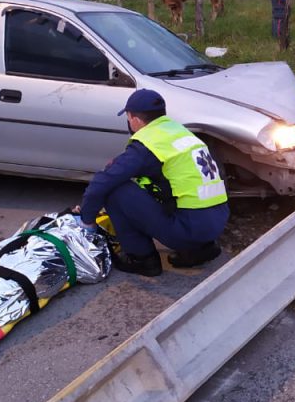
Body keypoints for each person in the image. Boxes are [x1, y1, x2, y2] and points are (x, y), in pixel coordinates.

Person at [77, 89, 229, 277]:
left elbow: (102, 181)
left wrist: (87, 219)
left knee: (116, 191)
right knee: (143, 184)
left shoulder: (148, 144)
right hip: (217, 221)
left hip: (189, 230)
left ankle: (142, 259)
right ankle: (200, 250)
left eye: (128, 117)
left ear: (136, 120)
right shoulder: (180, 133)